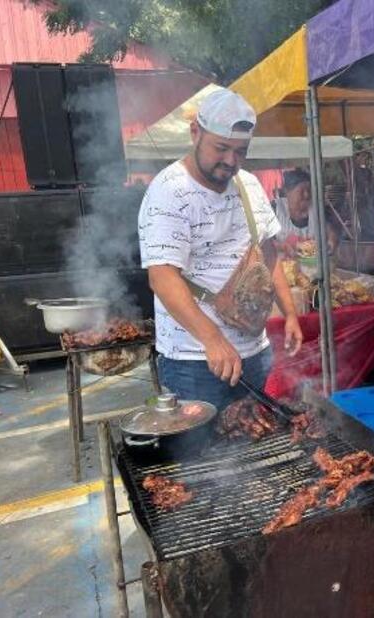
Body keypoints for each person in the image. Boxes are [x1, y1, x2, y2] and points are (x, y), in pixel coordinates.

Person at [138, 88, 303, 411]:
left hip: (255, 352)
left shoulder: (249, 185)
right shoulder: (168, 192)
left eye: (240, 152)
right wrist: (213, 339)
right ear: (195, 132)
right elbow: (162, 277)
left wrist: (290, 314)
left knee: (257, 436)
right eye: (221, 148)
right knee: (203, 443)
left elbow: (268, 254)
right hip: (194, 361)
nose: (231, 161)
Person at [273, 168, 338, 257]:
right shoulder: (275, 209)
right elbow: (263, 242)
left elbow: (330, 230)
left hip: (313, 263)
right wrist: (281, 246)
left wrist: (332, 238)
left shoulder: (317, 209)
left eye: (309, 190)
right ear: (288, 192)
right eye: (301, 191)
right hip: (284, 263)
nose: (306, 195)